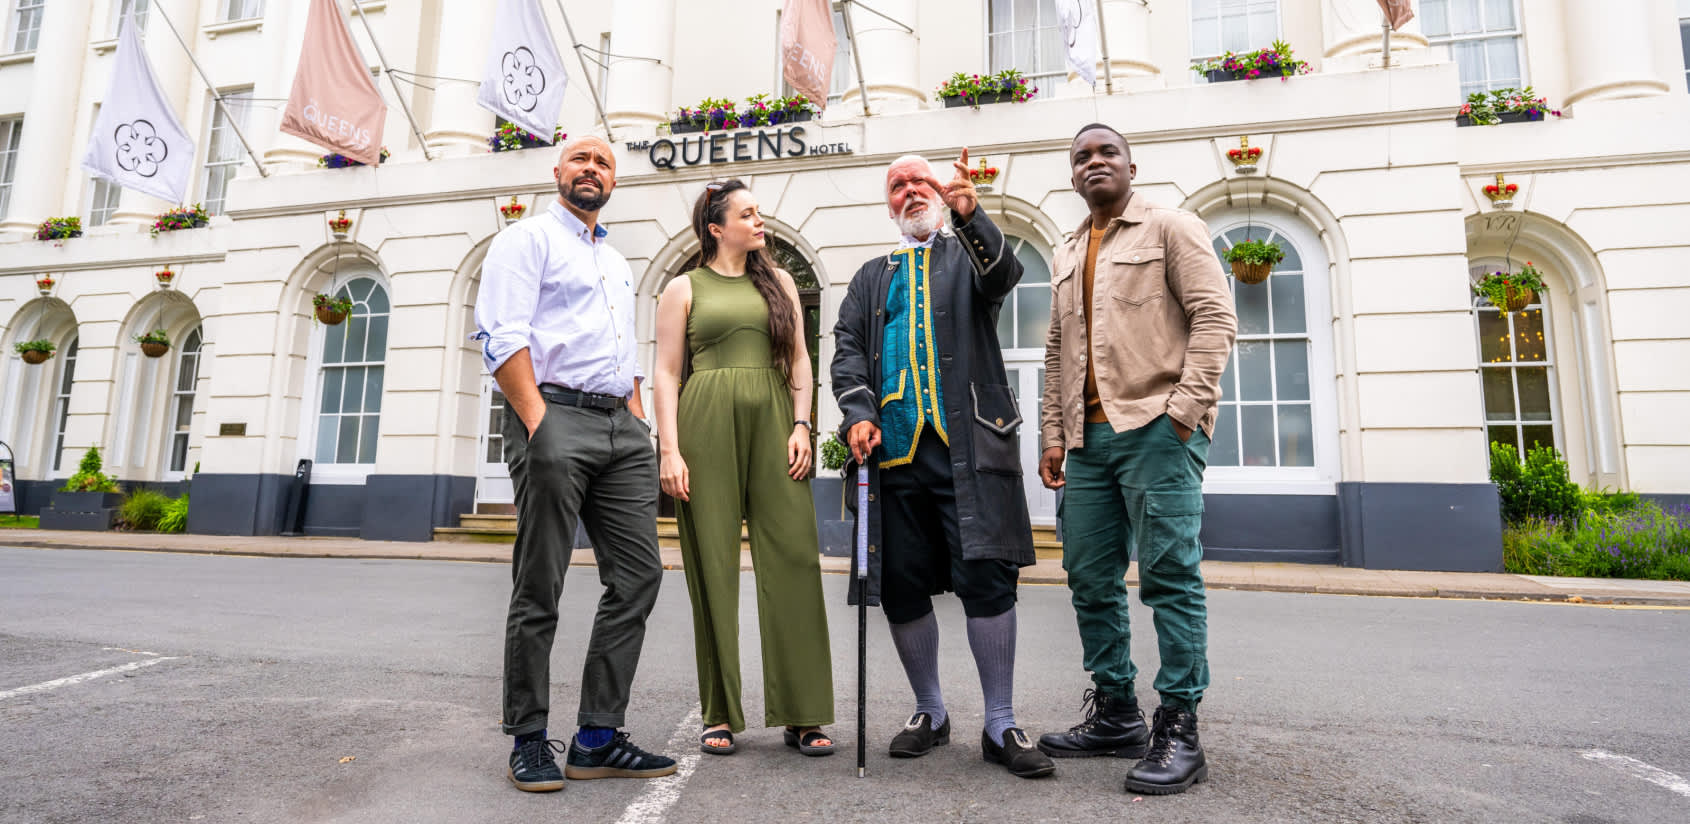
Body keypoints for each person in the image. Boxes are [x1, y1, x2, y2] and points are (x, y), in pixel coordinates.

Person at [832, 150, 1055, 779]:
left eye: (919, 181)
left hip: (971, 448)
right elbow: (848, 353)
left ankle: (1001, 721)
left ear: (941, 189)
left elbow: (1003, 277)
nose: (908, 191)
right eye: (897, 185)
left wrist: (971, 213)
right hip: (894, 454)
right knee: (900, 584)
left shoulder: (969, 256)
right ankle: (930, 711)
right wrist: (858, 413)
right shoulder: (871, 277)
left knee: (986, 578)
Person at [1035, 123, 1237, 795]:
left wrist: (1184, 412)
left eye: (1106, 153)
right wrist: (1054, 435)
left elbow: (1215, 319)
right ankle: (1117, 711)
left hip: (1157, 428)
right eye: (1082, 157)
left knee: (1169, 577)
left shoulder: (1171, 227)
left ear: (1130, 164)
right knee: (1089, 578)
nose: (1094, 163)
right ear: (1072, 175)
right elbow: (1057, 349)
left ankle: (1179, 725)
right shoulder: (1066, 250)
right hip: (1088, 444)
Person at [474, 135, 678, 793]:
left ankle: (596, 738)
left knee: (640, 576)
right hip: (555, 415)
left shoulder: (616, 260)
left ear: (613, 180)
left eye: (604, 162)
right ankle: (528, 739)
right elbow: (502, 335)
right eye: (581, 159)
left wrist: (639, 416)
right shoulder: (525, 240)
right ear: (557, 171)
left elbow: (623, 347)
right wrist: (539, 422)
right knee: (542, 584)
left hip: (621, 427)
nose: (592, 169)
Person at [653, 178, 835, 758]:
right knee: (713, 567)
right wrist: (670, 449)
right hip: (703, 422)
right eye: (748, 214)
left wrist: (803, 423)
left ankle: (803, 712)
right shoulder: (683, 288)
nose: (760, 222)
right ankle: (720, 712)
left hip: (776, 422)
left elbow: (800, 358)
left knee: (794, 558)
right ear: (716, 227)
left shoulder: (779, 281)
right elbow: (664, 373)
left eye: (759, 213)